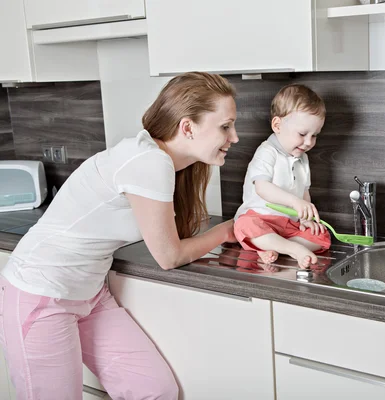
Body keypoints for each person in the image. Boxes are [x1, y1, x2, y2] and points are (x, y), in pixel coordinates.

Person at [0, 72, 239, 400]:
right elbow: (168, 256)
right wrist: (225, 231)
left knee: (154, 390)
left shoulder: (165, 163)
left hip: (89, 294)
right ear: (188, 127)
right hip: (42, 292)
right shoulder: (151, 162)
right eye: (226, 126)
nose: (234, 137)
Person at [233, 84, 331, 269]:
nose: (309, 142)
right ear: (277, 125)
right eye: (302, 134)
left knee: (322, 236)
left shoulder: (303, 159)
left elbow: (304, 192)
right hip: (260, 218)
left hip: (286, 225)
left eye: (315, 135)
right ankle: (291, 249)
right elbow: (262, 188)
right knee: (243, 225)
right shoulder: (266, 152)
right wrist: (294, 203)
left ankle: (273, 246)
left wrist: (305, 219)